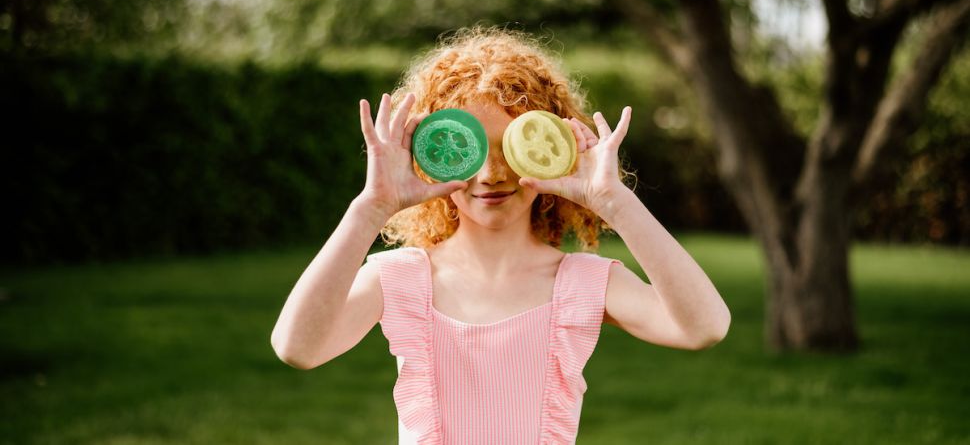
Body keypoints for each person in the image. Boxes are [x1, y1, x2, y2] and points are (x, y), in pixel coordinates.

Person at [271, 27, 731, 444]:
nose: (491, 175)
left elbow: (703, 328)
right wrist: (370, 209)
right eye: (468, 152)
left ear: (551, 151)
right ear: (432, 157)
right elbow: (297, 348)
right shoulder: (402, 281)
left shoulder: (579, 285)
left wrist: (614, 202)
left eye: (511, 149)